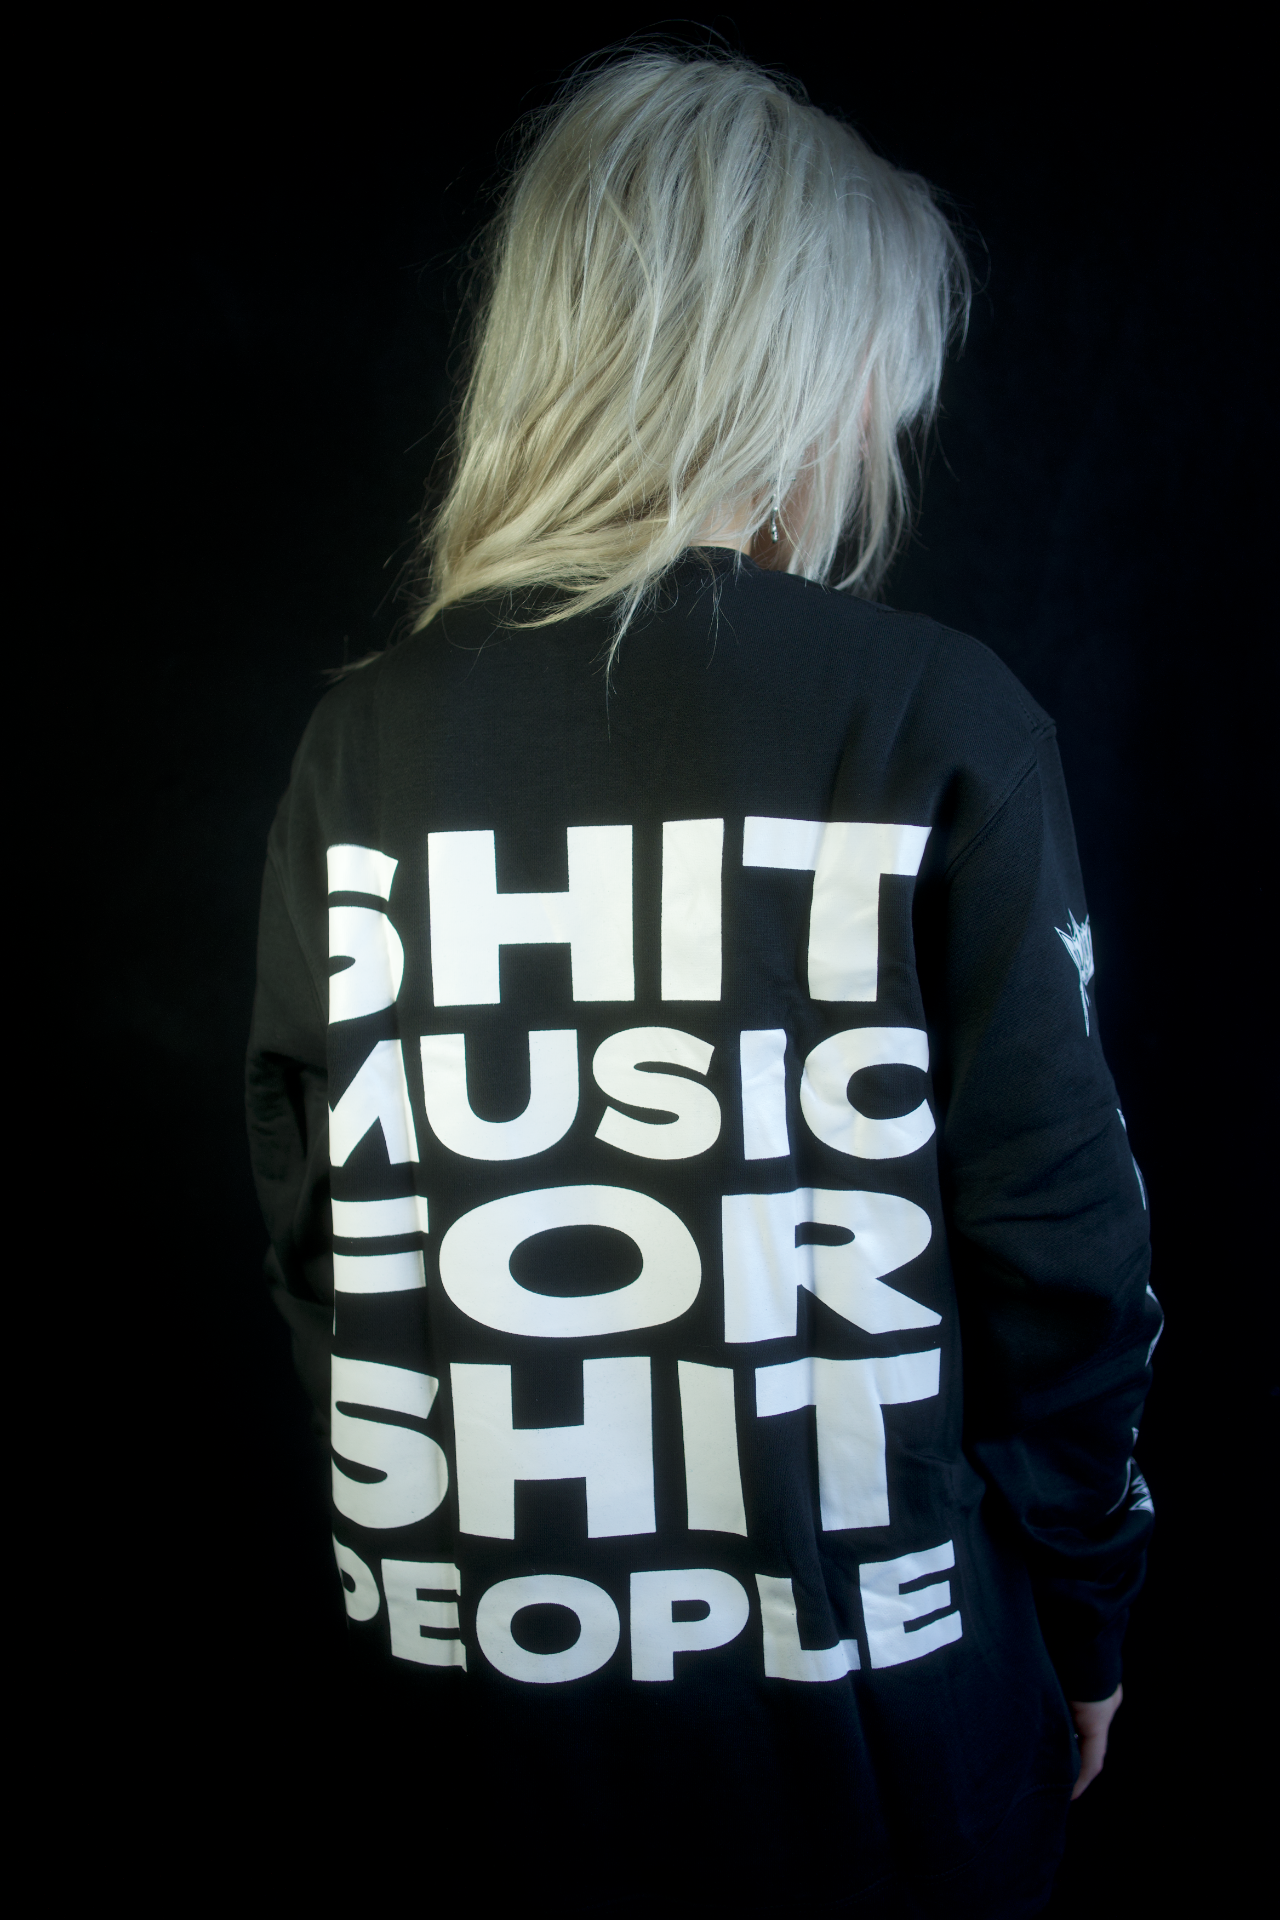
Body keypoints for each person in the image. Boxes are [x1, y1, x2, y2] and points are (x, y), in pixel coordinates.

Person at [245, 45, 1159, 1915]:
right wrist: (1091, 1612)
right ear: (785, 367)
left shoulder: (365, 746)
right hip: (883, 1754)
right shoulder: (936, 715)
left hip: (478, 1743)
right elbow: (1064, 1243)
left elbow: (324, 1232)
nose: (883, 431)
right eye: (872, 379)